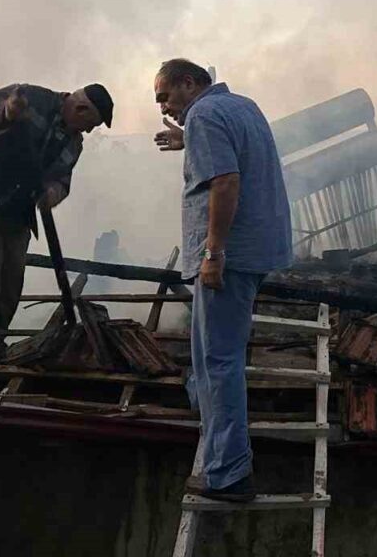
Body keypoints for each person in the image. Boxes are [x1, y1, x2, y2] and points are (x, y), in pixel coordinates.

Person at [152, 58, 292, 502]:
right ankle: (209, 419)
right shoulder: (240, 105)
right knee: (211, 352)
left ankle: (228, 474)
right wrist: (187, 139)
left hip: (228, 257)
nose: (164, 107)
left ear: (189, 83)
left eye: (165, 96)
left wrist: (213, 252)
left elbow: (226, 182)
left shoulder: (205, 115)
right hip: (257, 249)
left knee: (218, 360)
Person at [0, 82, 112, 362]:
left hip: (17, 208)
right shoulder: (32, 97)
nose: (88, 132)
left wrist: (53, 193)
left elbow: (62, 178)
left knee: (11, 277)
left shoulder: (73, 143)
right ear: (81, 108)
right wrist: (6, 112)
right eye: (90, 124)